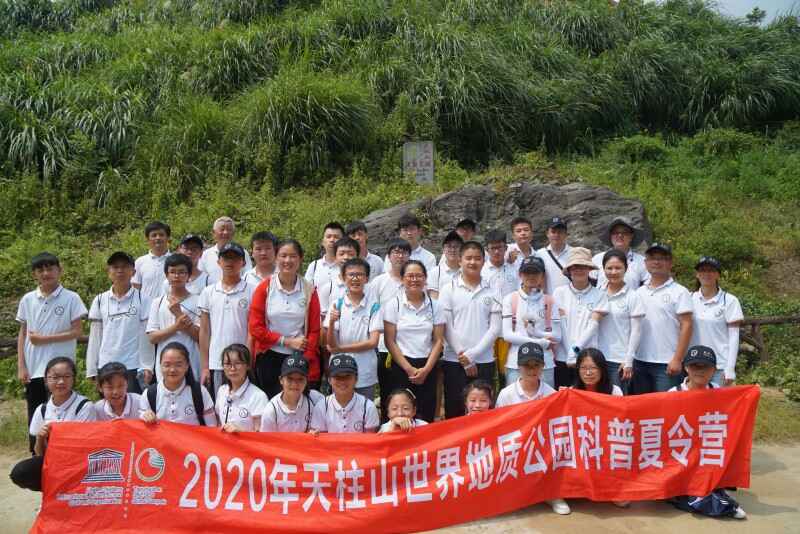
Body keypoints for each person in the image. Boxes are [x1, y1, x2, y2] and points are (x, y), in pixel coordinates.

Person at [16, 252, 87, 453]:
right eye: (40, 270)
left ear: (59, 270)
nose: (45, 273)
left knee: (62, 412)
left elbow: (77, 331)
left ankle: (63, 453)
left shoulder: (71, 298)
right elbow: (23, 333)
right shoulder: (28, 299)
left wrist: (44, 339)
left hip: (61, 370)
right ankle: (37, 455)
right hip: (34, 368)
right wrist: (21, 366)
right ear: (34, 274)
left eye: (50, 268)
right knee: (36, 412)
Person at [667, 345, 747, 520]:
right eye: (695, 366)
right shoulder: (673, 394)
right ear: (686, 368)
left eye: (706, 367)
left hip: (708, 451)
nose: (700, 371)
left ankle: (714, 494)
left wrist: (751, 393)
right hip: (681, 452)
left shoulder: (719, 393)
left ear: (714, 370)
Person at [494, 342, 570, 515]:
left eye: (536, 365)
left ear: (543, 366)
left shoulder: (551, 394)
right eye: (526, 365)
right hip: (515, 446)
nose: (531, 370)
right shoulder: (506, 394)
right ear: (518, 366)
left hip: (542, 446)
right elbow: (499, 427)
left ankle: (552, 494)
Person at [10, 357, 95, 492]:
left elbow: (85, 447)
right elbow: (39, 454)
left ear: (74, 379)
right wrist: (40, 438)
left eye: (66, 376)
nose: (61, 382)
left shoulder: (85, 406)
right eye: (55, 377)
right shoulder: (42, 410)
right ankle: (52, 494)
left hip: (79, 463)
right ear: (46, 380)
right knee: (20, 472)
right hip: (52, 462)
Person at [249, 239, 321, 396]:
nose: (287, 260)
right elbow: (255, 328)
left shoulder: (309, 290)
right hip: (269, 357)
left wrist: (306, 358)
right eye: (283, 256)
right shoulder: (265, 288)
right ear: (276, 258)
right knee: (271, 402)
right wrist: (286, 341)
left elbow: (315, 330)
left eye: (293, 256)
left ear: (300, 259)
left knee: (298, 402)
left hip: (299, 357)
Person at [440, 241, 501, 419]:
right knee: (455, 411)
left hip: (484, 360)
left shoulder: (493, 290)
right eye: (468, 258)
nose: (472, 262)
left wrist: (473, 355)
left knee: (483, 413)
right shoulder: (448, 289)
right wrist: (464, 357)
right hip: (455, 360)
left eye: (477, 258)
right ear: (460, 260)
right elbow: (446, 326)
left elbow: (495, 328)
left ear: (484, 261)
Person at [384, 260, 445, 422]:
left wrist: (426, 369)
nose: (414, 279)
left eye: (419, 276)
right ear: (402, 279)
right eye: (410, 276)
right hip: (402, 366)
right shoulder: (394, 305)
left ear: (425, 279)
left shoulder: (435, 306)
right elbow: (390, 341)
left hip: (427, 365)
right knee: (401, 413)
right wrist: (409, 369)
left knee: (426, 412)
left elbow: (438, 340)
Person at [578, 249, 645, 389]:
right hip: (595, 358)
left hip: (618, 360)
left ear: (626, 269)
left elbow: (637, 331)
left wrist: (629, 360)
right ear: (603, 269)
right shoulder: (596, 293)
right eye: (609, 268)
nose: (613, 272)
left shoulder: (633, 296)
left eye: (618, 268)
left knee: (616, 398)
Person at [86, 251, 151, 393]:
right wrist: (92, 368)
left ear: (133, 271)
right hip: (106, 366)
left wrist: (147, 365)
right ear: (108, 272)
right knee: (108, 406)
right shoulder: (100, 300)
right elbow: (95, 336)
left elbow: (146, 335)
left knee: (134, 405)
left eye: (124, 266)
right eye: (115, 267)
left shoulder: (143, 299)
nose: (120, 270)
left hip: (133, 366)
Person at [199, 242, 257, 400]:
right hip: (217, 363)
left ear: (243, 263)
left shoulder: (252, 291)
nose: (230, 262)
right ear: (219, 262)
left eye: (235, 258)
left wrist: (247, 361)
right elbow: (204, 331)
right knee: (220, 405)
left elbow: (252, 331)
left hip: (241, 362)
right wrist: (205, 366)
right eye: (226, 258)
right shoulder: (208, 292)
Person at [634, 243, 693, 393]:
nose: (657, 262)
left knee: (666, 405)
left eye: (662, 258)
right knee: (642, 404)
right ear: (645, 263)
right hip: (639, 360)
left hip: (667, 363)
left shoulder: (680, 292)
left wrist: (677, 359)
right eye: (652, 258)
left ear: (670, 263)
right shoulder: (639, 292)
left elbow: (687, 325)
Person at [326, 258, 381, 400]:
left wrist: (341, 349)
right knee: (338, 407)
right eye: (351, 275)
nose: (355, 278)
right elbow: (331, 344)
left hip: (364, 369)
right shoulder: (337, 304)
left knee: (364, 407)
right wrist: (331, 322)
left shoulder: (374, 306)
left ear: (367, 278)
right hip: (339, 368)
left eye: (360, 274)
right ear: (344, 278)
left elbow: (373, 342)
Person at [501, 256, 560, 387]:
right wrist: (539, 342)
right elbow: (507, 335)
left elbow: (557, 336)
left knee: (546, 399)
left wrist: (538, 333)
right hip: (516, 362)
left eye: (536, 272)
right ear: (520, 274)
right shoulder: (510, 299)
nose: (531, 276)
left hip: (545, 363)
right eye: (527, 272)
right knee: (514, 399)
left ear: (542, 275)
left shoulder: (550, 300)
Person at [553, 247, 604, 389]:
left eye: (583, 266)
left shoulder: (600, 295)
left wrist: (575, 351)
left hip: (588, 359)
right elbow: (561, 324)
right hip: (563, 357)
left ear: (589, 269)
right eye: (575, 267)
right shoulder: (559, 292)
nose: (579, 270)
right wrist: (570, 353)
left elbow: (593, 325)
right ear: (569, 270)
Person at [146, 254, 202, 383]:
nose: (177, 276)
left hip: (192, 362)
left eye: (182, 272)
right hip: (165, 365)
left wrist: (178, 313)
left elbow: (199, 336)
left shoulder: (198, 301)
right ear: (166, 275)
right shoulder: (158, 302)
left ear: (189, 275)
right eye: (172, 272)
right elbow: (152, 337)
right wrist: (176, 327)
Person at [371, 238, 411, 418]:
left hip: (409, 346)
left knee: (407, 393)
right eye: (396, 252)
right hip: (384, 347)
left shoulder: (413, 280)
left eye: (404, 252)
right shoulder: (379, 282)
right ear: (388, 256)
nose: (400, 256)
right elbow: (372, 313)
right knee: (388, 392)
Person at [691, 256, 744, 386]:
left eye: (711, 270)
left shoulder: (730, 300)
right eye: (703, 270)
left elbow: (734, 336)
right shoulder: (688, 298)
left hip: (719, 366)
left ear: (718, 274)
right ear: (697, 274)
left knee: (719, 400)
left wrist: (730, 368)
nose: (706, 274)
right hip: (693, 365)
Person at [139, 341, 217, 426]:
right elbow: (141, 426)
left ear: (187, 366)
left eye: (178, 365)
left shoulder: (200, 392)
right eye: (167, 365)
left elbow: (211, 428)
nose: (172, 370)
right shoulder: (149, 394)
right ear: (160, 366)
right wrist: (145, 416)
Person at [310, 355, 379, 433]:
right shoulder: (321, 407)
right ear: (329, 380)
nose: (342, 381)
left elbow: (370, 439)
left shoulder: (368, 407)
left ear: (356, 379)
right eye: (337, 377)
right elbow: (320, 438)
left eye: (347, 376)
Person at [260, 354, 324, 432]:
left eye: (300, 379)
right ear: (281, 380)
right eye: (290, 379)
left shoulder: (316, 399)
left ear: (307, 381)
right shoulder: (271, 410)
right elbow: (266, 439)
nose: (294, 384)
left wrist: (318, 432)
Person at [215, 344, 268, 433]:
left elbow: (261, 435)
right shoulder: (222, 391)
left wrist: (241, 432)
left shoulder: (258, 396)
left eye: (237, 363)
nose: (232, 368)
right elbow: (218, 424)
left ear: (248, 365)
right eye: (227, 364)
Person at [591, 217, 650, 289]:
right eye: (615, 232)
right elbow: (590, 287)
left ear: (631, 236)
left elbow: (646, 289)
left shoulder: (642, 262)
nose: (620, 235)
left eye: (625, 232)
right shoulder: (597, 259)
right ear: (610, 236)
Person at [318, 237, 360, 325]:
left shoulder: (367, 288)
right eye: (341, 254)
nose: (346, 257)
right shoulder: (328, 288)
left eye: (350, 254)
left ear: (358, 257)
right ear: (335, 258)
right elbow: (322, 320)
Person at [132, 221, 172, 298]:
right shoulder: (140, 262)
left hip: (169, 304)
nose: (158, 238)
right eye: (154, 235)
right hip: (145, 305)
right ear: (148, 239)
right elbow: (136, 287)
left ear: (168, 238)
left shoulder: (176, 260)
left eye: (161, 235)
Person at [536, 216, 572, 295]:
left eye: (560, 232)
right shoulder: (539, 254)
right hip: (549, 300)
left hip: (570, 299)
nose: (556, 235)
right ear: (547, 234)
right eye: (553, 232)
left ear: (566, 234)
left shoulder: (574, 253)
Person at [305, 221, 345, 289]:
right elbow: (306, 291)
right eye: (328, 237)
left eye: (336, 237)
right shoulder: (314, 266)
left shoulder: (347, 266)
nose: (332, 240)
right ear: (322, 242)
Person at [427, 231, 462, 299]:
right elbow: (434, 299)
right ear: (443, 249)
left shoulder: (467, 272)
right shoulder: (434, 273)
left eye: (456, 246)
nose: (452, 250)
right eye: (449, 246)